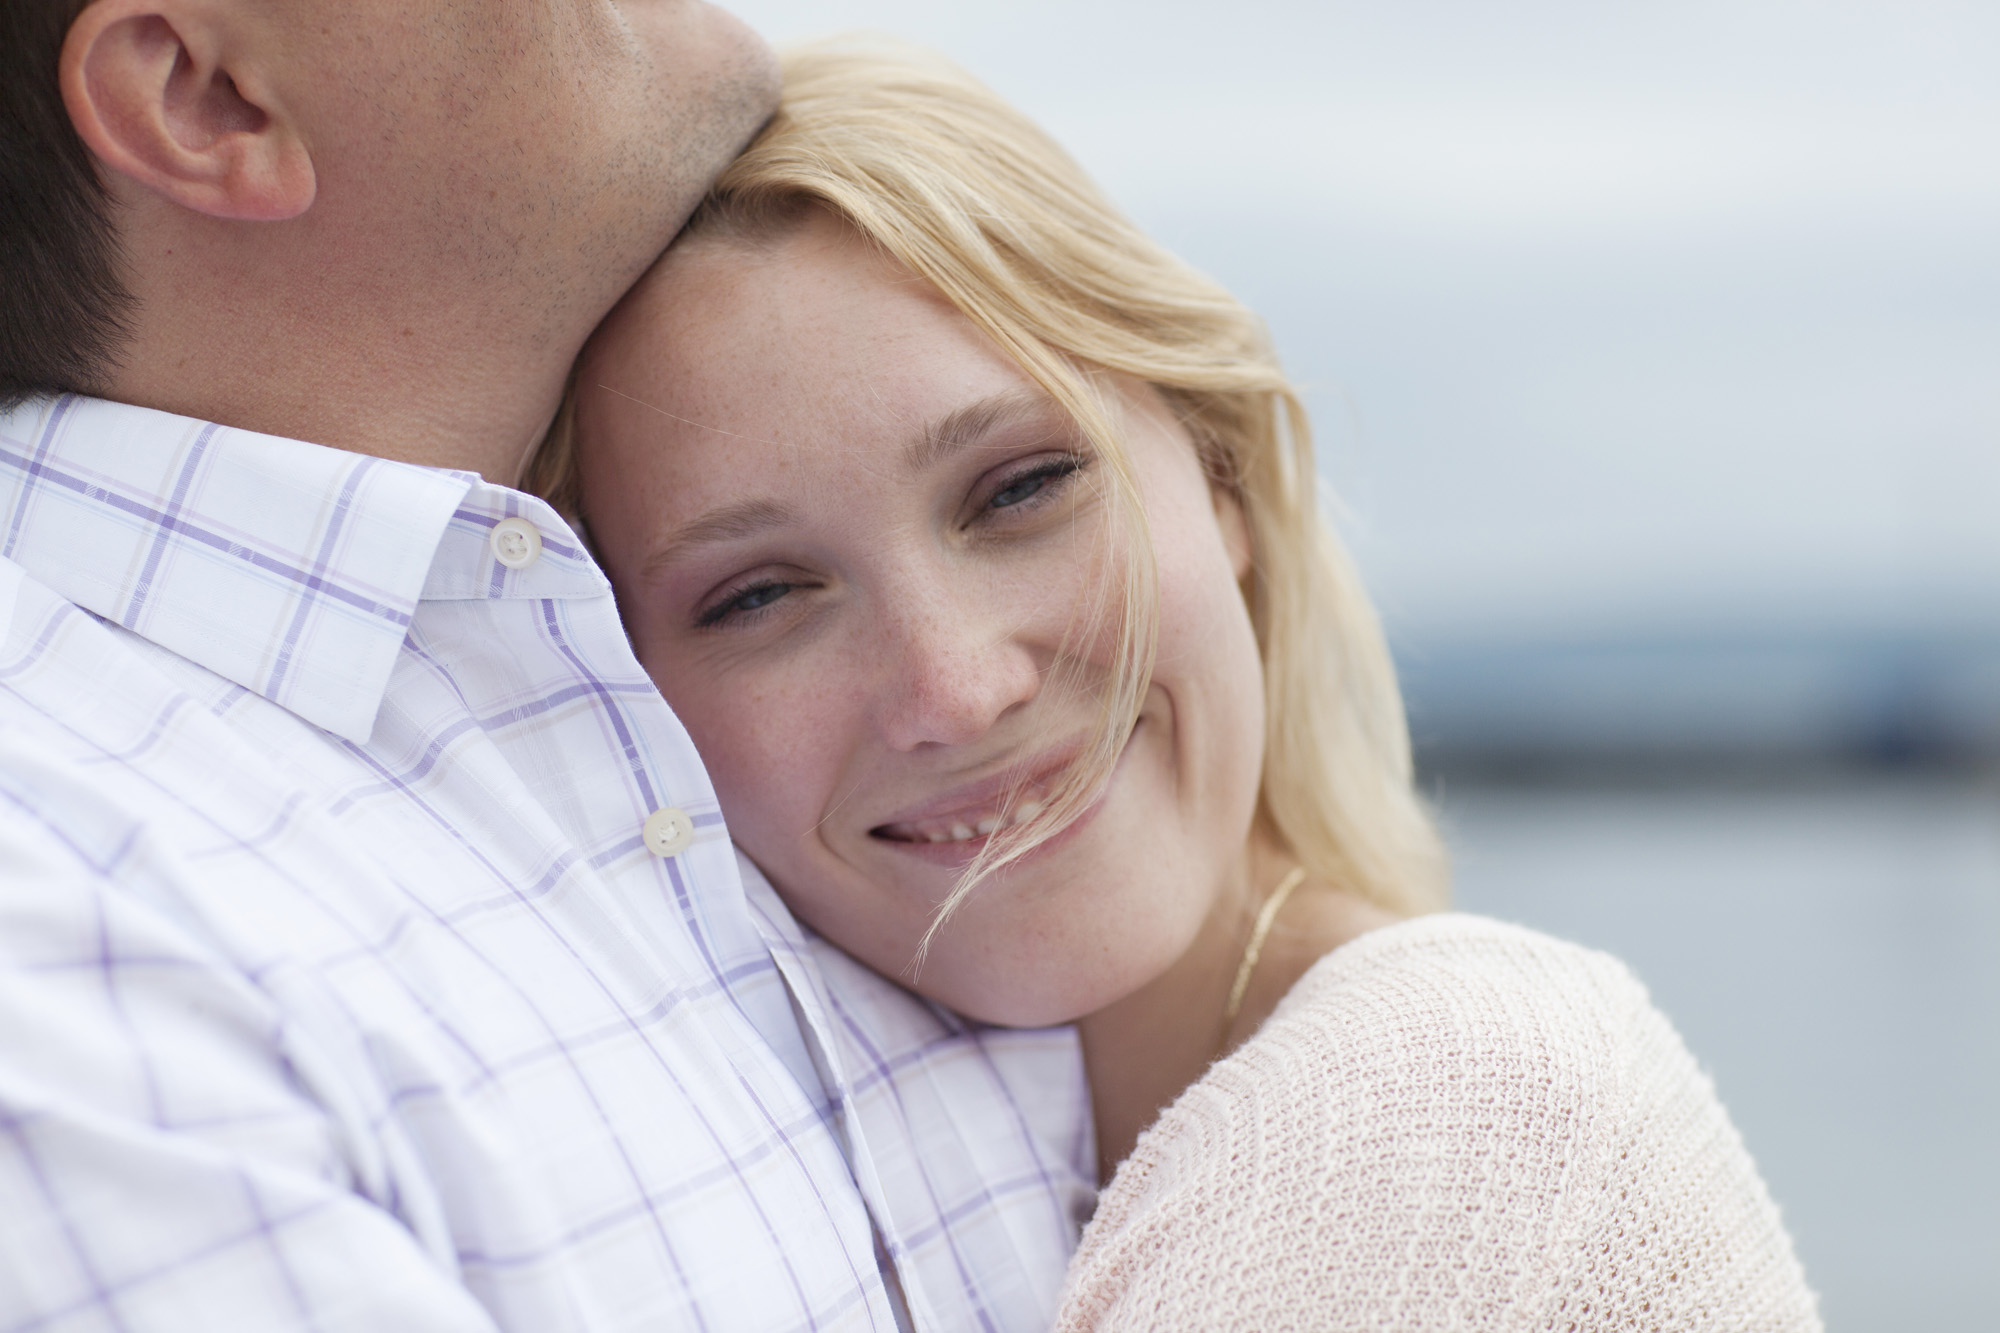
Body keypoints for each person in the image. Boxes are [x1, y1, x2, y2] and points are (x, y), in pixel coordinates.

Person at [552, 40, 1825, 1330]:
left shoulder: (1446, 1097)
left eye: (1022, 489)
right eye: (759, 596)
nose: (957, 687)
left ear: (1220, 484)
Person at [0, 4, 1095, 1330]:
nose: (958, 690)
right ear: (208, 97)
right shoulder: (65, 963)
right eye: (756, 595)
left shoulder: (635, 638)